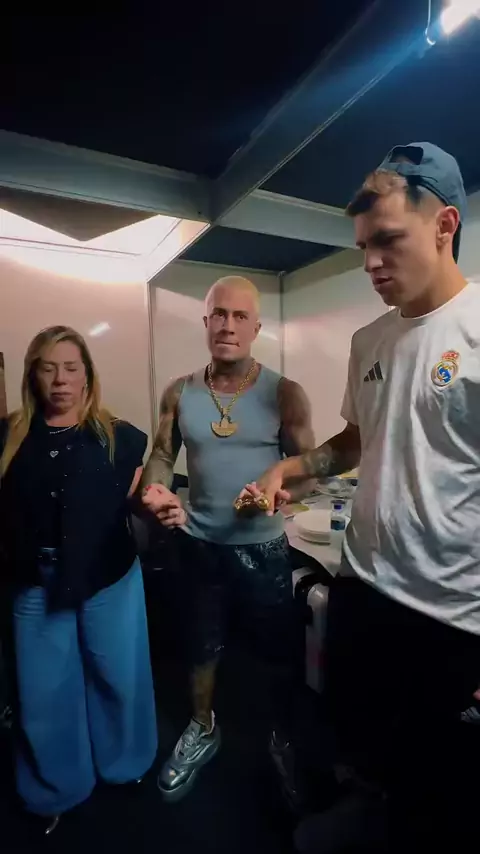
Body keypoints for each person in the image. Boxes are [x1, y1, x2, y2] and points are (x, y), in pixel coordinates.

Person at [238, 144, 480, 849]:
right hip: (366, 584)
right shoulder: (370, 340)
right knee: (363, 743)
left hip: (451, 615)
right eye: (362, 247)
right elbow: (354, 441)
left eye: (388, 241)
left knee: (442, 786)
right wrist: (292, 469)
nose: (370, 262)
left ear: (445, 225)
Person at [141, 276, 315, 807]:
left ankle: (282, 737)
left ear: (256, 327)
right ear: (206, 321)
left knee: (277, 656)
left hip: (263, 550)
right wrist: (155, 490)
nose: (228, 325)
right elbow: (163, 455)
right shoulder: (180, 391)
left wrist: (280, 493)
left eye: (240, 317)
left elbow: (307, 473)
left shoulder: (285, 393)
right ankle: (202, 726)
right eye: (219, 314)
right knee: (200, 645)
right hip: (198, 546)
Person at [0, 326, 158, 835]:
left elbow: (138, 498)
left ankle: (126, 765)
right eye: (48, 368)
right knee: (44, 692)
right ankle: (56, 789)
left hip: (108, 576)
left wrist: (157, 503)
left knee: (118, 676)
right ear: (33, 375)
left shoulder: (119, 437)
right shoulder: (8, 437)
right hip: (35, 581)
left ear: (87, 376)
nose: (61, 380)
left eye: (71, 368)